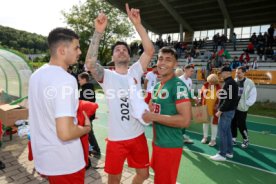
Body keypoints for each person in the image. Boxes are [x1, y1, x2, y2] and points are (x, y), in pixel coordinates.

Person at [85, 4, 154, 184]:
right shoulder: (107, 75)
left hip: (138, 135)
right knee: (114, 179)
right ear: (113, 57)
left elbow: (149, 51)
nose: (121, 50)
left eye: (125, 49)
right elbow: (90, 63)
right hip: (116, 139)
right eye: (118, 49)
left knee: (144, 174)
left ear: (129, 56)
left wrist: (137, 24)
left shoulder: (135, 71)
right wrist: (98, 32)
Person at [28, 28, 91, 183]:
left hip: (46, 158)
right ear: (62, 50)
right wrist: (86, 129)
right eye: (76, 47)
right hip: (65, 161)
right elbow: (65, 133)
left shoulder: (36, 75)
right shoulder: (66, 80)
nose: (80, 52)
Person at [142, 47, 191, 184]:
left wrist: (153, 117)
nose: (162, 63)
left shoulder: (178, 86)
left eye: (168, 60)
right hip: (158, 143)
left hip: (169, 146)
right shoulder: (158, 86)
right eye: (160, 58)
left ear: (175, 65)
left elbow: (185, 120)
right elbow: (155, 109)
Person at [210, 66, 238, 161]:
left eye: (222, 73)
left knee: (222, 133)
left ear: (226, 72)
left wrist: (220, 110)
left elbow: (228, 100)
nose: (221, 74)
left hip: (226, 111)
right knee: (228, 132)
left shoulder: (229, 83)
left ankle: (222, 154)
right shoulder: (231, 82)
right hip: (229, 111)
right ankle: (229, 152)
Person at [231, 66, 257, 148]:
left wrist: (247, 103)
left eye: (239, 73)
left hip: (242, 108)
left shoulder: (249, 82)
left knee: (241, 125)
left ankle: (246, 139)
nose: (237, 74)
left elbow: (253, 95)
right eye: (236, 72)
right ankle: (233, 138)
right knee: (233, 123)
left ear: (244, 73)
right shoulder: (234, 81)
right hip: (233, 107)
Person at [78, 72, 101, 159]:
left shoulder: (87, 89)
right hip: (87, 114)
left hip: (86, 115)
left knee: (89, 132)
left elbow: (87, 103)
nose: (79, 81)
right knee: (87, 132)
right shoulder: (86, 88)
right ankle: (91, 148)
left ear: (84, 79)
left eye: (79, 80)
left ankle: (95, 149)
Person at [200, 74, 221, 147]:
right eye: (209, 81)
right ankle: (205, 137)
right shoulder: (205, 86)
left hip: (214, 110)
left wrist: (218, 105)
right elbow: (201, 95)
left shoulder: (219, 88)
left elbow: (221, 99)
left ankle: (213, 140)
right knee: (205, 124)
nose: (210, 83)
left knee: (214, 125)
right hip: (205, 108)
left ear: (215, 82)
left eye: (212, 82)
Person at [179, 64, 194, 144]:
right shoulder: (179, 80)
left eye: (192, 71)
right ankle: (179, 136)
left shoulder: (190, 80)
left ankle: (183, 135)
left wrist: (195, 98)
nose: (192, 72)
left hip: (187, 103)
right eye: (191, 71)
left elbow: (190, 91)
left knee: (186, 119)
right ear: (185, 70)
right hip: (180, 104)